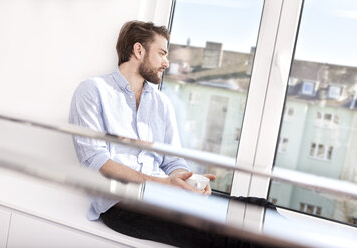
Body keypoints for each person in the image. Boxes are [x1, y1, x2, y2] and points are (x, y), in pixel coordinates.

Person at [69, 20, 271, 248]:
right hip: (122, 205)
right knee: (233, 237)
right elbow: (96, 160)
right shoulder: (93, 91)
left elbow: (172, 159)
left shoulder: (161, 103)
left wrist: (190, 182)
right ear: (138, 50)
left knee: (260, 210)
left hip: (164, 196)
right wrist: (161, 184)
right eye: (162, 53)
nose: (166, 63)